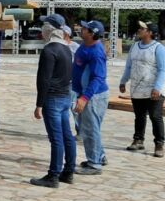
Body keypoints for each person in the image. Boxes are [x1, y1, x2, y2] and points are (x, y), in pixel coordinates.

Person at [30, 14, 76, 188]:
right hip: (64, 97)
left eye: (45, 25)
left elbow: (44, 80)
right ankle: (69, 171)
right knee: (67, 136)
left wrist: (39, 105)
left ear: (50, 29)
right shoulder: (66, 49)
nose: (43, 29)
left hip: (53, 99)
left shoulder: (49, 50)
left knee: (56, 139)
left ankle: (53, 175)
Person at [120, 21, 165, 158]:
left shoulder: (159, 48)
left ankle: (159, 144)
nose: (139, 30)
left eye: (142, 28)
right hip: (137, 89)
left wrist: (157, 87)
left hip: (154, 89)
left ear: (150, 32)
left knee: (155, 116)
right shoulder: (135, 46)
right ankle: (138, 139)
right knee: (139, 116)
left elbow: (163, 70)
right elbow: (129, 66)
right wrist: (123, 81)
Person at [72, 20, 110, 175]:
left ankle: (94, 164)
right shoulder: (84, 45)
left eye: (85, 28)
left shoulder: (96, 52)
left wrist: (84, 98)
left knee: (90, 129)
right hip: (86, 93)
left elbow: (97, 78)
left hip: (94, 96)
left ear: (92, 33)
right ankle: (99, 156)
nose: (81, 29)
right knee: (89, 127)